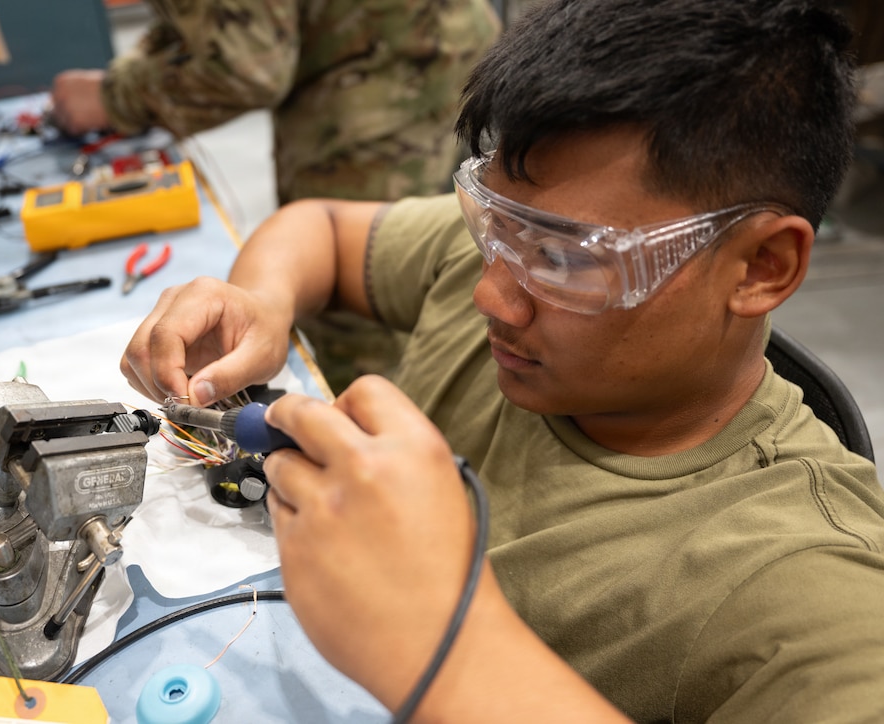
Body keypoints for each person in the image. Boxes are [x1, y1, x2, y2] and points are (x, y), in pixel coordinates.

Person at [121, 0, 884, 720]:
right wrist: (259, 301)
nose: (494, 293)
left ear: (761, 267)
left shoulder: (807, 587)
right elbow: (317, 226)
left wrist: (439, 640)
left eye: (562, 257)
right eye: (494, 221)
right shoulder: (512, 257)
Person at [50, 1, 501, 205]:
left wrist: (116, 97)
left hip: (384, 74)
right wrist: (124, 78)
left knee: (346, 281)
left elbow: (248, 69)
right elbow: (206, 21)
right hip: (423, 40)